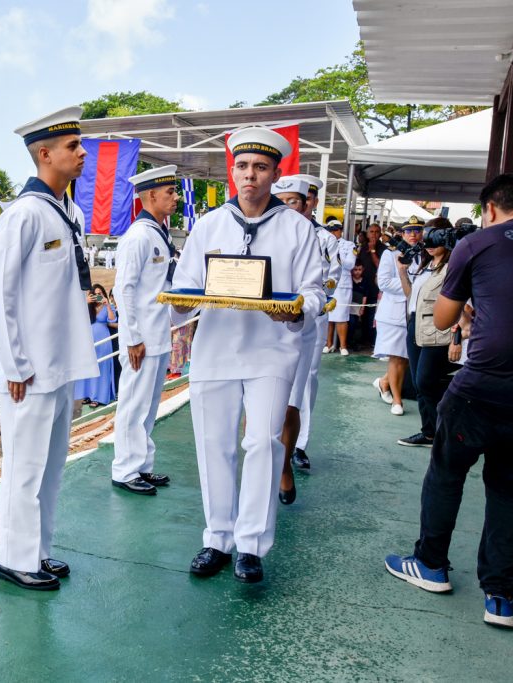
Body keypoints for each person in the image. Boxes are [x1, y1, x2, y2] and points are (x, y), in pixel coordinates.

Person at [385, 173, 513, 630]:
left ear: (490, 209)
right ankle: (499, 597)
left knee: (446, 474)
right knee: (509, 490)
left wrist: (474, 305)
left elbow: (442, 316)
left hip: (480, 390)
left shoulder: (476, 244)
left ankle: (430, 565)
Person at [171, 127, 322, 584]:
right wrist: (180, 303)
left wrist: (293, 309)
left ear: (276, 173)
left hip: (272, 350)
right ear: (232, 171)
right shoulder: (209, 224)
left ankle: (252, 545)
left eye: (260, 167)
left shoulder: (297, 228)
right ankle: (217, 537)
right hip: (215, 349)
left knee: (262, 442)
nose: (250, 176)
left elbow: (314, 292)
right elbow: (185, 288)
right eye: (242, 167)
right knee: (213, 444)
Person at [0, 105, 97, 591]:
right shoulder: (24, 215)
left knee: (50, 469)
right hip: (27, 369)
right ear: (45, 154)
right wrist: (14, 362)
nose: (82, 152)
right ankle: (13, 557)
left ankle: (39, 550)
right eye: (73, 146)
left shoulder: (68, 211)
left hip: (60, 362)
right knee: (24, 468)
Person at [111, 165, 178, 496]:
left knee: (149, 405)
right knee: (133, 404)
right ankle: (124, 469)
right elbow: (122, 289)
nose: (176, 198)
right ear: (151, 195)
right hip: (141, 339)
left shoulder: (158, 233)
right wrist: (133, 337)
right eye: (170, 192)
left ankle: (142, 465)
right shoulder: (138, 237)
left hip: (158, 335)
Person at [270, 175, 321, 504]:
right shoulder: (266, 231)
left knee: (290, 403)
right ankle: (266, 464)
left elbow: (318, 287)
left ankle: (285, 463)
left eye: (294, 201)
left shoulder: (315, 237)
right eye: (283, 201)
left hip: (299, 325)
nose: (288, 207)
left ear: (307, 204)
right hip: (263, 328)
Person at [397, 217, 461, 447]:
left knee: (426, 380)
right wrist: (403, 272)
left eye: (436, 235)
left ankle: (445, 429)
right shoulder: (425, 264)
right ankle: (430, 431)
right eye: (427, 235)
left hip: (438, 328)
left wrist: (457, 336)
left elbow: (465, 304)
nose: (429, 240)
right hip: (415, 324)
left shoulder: (453, 266)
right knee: (418, 381)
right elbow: (410, 296)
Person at [292, 175, 340, 471]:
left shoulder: (324, 238)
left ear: (314, 202)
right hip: (276, 316)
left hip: (312, 315)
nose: (301, 204)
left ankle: (298, 444)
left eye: (306, 199)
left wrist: (322, 298)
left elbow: (333, 275)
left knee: (307, 378)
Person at [374, 216, 423, 416]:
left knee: (407, 358)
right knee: (396, 357)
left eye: (417, 230)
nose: (413, 234)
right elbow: (383, 283)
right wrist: (410, 286)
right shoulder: (390, 254)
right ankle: (397, 399)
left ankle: (385, 382)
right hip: (394, 312)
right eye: (409, 230)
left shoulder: (424, 253)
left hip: (413, 312)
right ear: (402, 234)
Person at [72, 283, 117, 408]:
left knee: (101, 367)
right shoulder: (87, 307)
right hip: (88, 340)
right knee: (88, 365)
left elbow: (112, 320)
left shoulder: (108, 306)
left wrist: (107, 305)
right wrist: (85, 302)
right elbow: (76, 316)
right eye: (95, 294)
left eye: (100, 294)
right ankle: (87, 395)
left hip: (103, 340)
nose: (97, 296)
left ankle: (98, 397)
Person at [324, 220, 357, 355]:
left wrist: (336, 255)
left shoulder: (349, 245)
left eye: (335, 230)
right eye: (330, 230)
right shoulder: (324, 242)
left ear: (340, 230)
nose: (332, 233)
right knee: (327, 315)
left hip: (342, 284)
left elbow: (350, 264)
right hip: (327, 281)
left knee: (342, 316)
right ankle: (328, 343)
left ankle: (343, 346)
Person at [357, 222, 386, 345]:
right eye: (371, 231)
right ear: (367, 234)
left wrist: (373, 250)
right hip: (362, 286)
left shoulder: (384, 249)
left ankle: (372, 341)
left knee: (373, 315)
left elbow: (381, 266)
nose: (374, 234)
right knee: (361, 313)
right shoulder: (362, 247)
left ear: (380, 234)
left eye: (376, 231)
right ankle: (362, 338)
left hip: (375, 287)